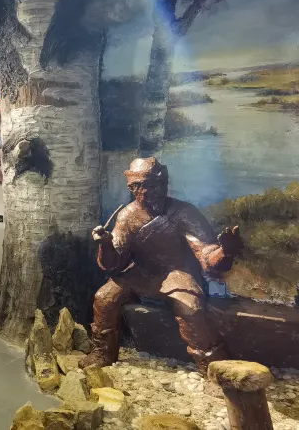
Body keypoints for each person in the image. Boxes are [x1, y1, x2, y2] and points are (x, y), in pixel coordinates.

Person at [80, 157, 242, 374]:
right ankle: (102, 352)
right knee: (104, 298)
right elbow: (114, 264)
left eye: (157, 185)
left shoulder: (184, 213)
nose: (150, 192)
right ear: (133, 189)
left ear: (165, 184)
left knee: (190, 309)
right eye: (142, 187)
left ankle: (213, 366)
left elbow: (206, 253)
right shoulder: (127, 216)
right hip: (141, 273)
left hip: (178, 273)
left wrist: (225, 252)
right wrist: (106, 245)